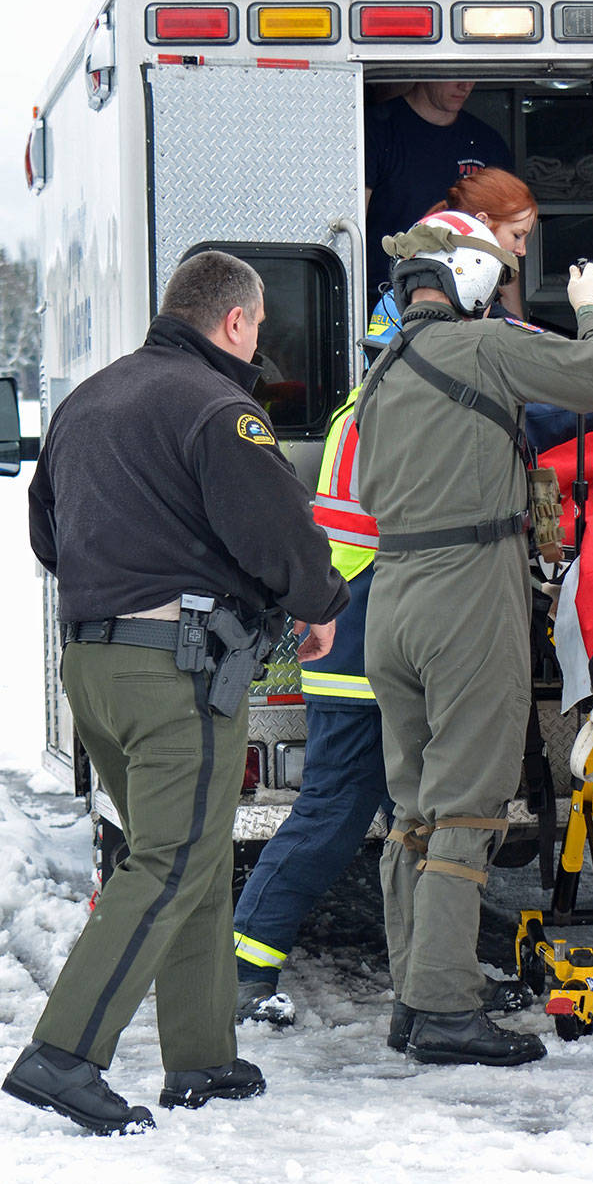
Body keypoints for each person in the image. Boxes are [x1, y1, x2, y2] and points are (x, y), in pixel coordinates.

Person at [5, 251, 348, 1135]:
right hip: (175, 670)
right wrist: (319, 606)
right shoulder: (219, 410)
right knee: (168, 860)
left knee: (191, 852)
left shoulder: (91, 399)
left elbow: (48, 534)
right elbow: (278, 531)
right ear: (234, 321)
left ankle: (202, 1058)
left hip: (92, 668)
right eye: (260, 326)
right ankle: (64, 1055)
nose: (260, 341)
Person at [355, 211, 593, 1066]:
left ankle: (413, 994)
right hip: (465, 593)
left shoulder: (384, 369)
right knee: (468, 810)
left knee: (411, 813)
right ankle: (444, 1008)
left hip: (391, 598)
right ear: (473, 281)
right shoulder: (481, 349)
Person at [231, 384, 393, 1029]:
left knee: (388, 814)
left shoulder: (363, 401)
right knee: (338, 810)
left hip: (352, 624)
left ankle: (440, 979)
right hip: (361, 636)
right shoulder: (404, 403)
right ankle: (248, 967)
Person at [363, 82, 512, 315]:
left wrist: (520, 323)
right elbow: (352, 226)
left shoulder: (488, 144)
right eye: (454, 73)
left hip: (474, 306)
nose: (465, 85)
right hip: (388, 303)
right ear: (428, 67)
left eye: (472, 74)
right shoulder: (374, 131)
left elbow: (505, 241)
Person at [366, 168, 538, 341]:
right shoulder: (396, 304)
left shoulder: (397, 297)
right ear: (482, 223)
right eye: (517, 235)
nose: (522, 250)